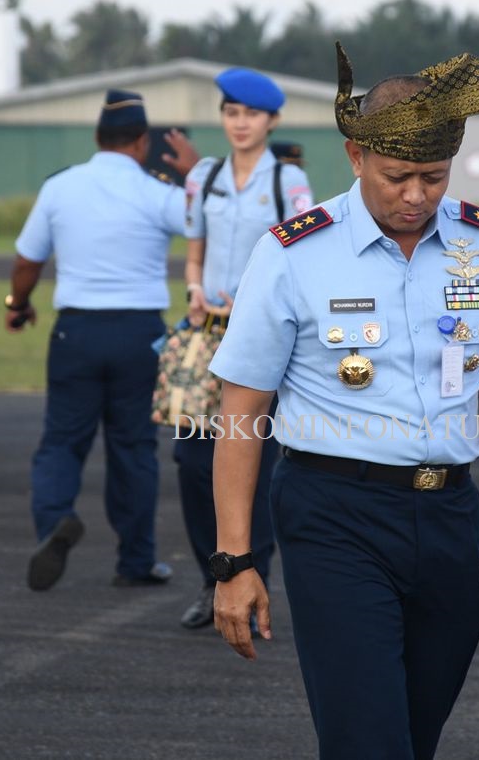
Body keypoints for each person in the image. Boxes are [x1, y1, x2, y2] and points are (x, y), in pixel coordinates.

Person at [209, 45, 479, 760]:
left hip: (450, 517)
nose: (417, 195)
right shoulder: (295, 253)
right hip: (335, 514)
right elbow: (241, 409)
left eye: (433, 176)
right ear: (355, 154)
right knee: (368, 742)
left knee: (412, 739)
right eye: (398, 177)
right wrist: (234, 560)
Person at [6, 89, 198, 591]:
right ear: (141, 142)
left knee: (61, 442)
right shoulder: (158, 192)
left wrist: (18, 305)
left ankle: (55, 522)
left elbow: (28, 261)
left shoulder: (61, 188)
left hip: (77, 331)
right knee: (134, 448)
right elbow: (206, 227)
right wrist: (194, 175)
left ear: (97, 138)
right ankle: (136, 561)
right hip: (141, 334)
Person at [172, 68, 313, 630]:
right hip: (209, 334)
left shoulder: (290, 182)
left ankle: (257, 572)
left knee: (261, 457)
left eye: (251, 115)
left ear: (271, 121)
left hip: (267, 336)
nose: (240, 123)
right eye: (231, 113)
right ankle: (215, 576)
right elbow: (194, 250)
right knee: (189, 458)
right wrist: (194, 288)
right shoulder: (202, 177)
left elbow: (299, 257)